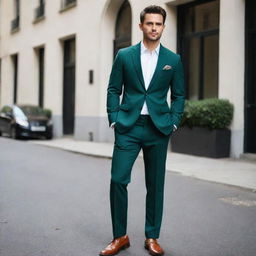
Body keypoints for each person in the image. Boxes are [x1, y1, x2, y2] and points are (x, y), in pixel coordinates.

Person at [100, 5, 185, 256]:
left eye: (158, 24)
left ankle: (152, 236)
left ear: (163, 27)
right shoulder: (125, 56)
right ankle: (120, 236)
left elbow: (179, 94)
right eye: (149, 23)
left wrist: (174, 121)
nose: (154, 28)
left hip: (158, 128)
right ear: (141, 26)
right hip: (128, 126)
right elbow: (113, 89)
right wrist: (114, 117)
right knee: (118, 179)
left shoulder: (173, 60)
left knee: (155, 185)